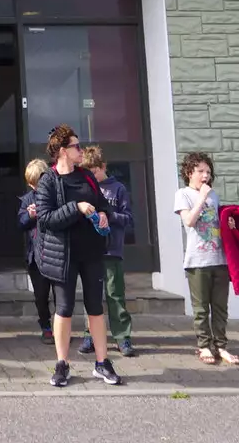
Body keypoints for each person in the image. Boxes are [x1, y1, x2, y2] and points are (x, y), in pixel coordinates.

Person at [33, 124, 123, 388]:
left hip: (92, 251)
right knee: (64, 308)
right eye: (76, 146)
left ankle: (102, 363)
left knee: (96, 306)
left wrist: (104, 213)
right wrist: (76, 207)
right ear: (63, 151)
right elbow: (46, 219)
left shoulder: (87, 177)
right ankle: (62, 364)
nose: (81, 150)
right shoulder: (48, 181)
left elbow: (102, 203)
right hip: (63, 255)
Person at [174, 151, 239, 366]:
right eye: (200, 171)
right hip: (197, 261)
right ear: (189, 172)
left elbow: (216, 224)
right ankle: (204, 345)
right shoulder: (183, 194)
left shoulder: (214, 196)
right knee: (201, 308)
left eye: (208, 172)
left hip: (219, 259)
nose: (205, 175)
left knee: (220, 306)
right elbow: (189, 221)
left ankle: (221, 346)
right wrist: (202, 197)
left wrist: (228, 224)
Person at [77, 146, 137, 357]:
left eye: (93, 171)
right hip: (90, 251)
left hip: (112, 251)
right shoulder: (84, 189)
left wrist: (109, 215)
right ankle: (90, 334)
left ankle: (122, 337)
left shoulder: (118, 188)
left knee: (115, 295)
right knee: (91, 296)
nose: (91, 176)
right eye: (87, 172)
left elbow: (128, 219)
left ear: (103, 167)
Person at [17, 157, 54, 343]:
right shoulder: (27, 200)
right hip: (36, 256)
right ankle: (45, 326)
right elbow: (21, 223)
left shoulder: (56, 195)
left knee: (61, 296)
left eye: (38, 183)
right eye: (32, 185)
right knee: (40, 295)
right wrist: (30, 215)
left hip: (56, 254)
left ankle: (61, 326)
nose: (35, 188)